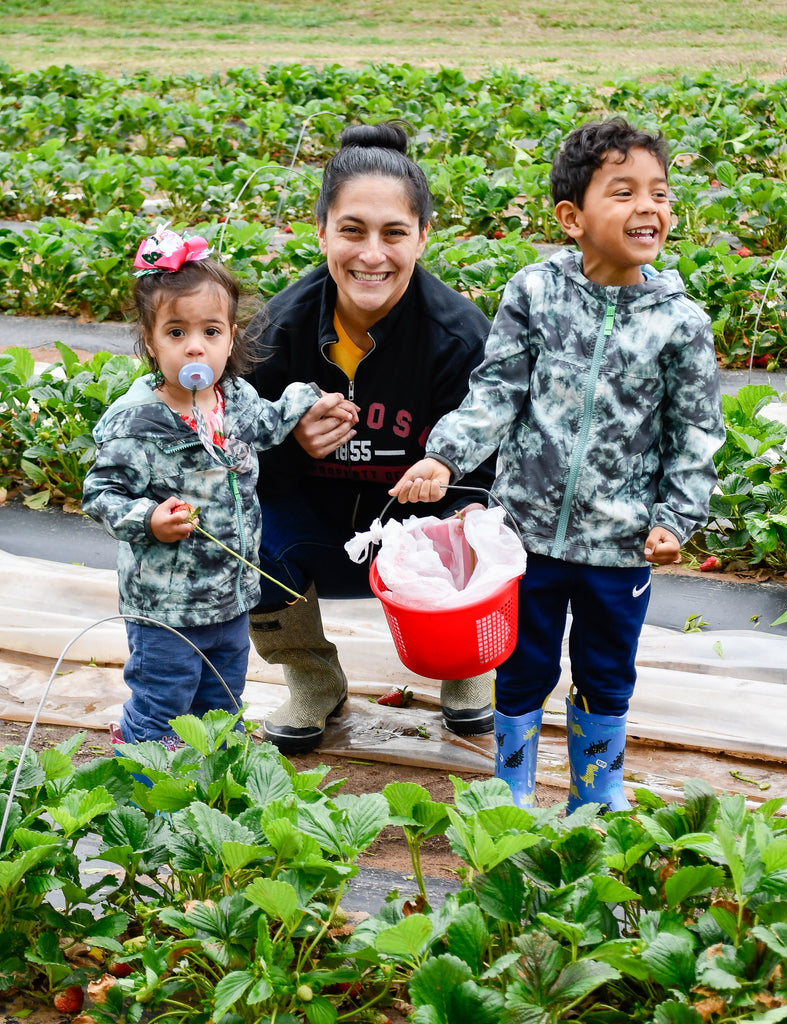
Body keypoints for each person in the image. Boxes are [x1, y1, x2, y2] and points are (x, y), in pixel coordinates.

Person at [389, 117, 725, 810]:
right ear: (571, 217)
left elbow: (693, 431)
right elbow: (496, 390)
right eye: (624, 191)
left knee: (606, 669)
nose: (648, 208)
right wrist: (445, 457)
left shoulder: (678, 322)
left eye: (659, 194)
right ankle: (510, 788)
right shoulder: (534, 293)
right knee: (520, 663)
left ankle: (595, 794)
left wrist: (674, 518)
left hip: (621, 542)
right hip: (524, 534)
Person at [247, 121, 495, 754]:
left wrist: (446, 479)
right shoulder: (276, 331)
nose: (371, 254)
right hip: (316, 537)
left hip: (422, 540)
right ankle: (312, 676)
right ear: (322, 228)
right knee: (234, 522)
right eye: (351, 230)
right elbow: (230, 457)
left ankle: (464, 665)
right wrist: (290, 446)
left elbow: (491, 469)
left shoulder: (460, 337)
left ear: (423, 237)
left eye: (394, 233)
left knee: (480, 516)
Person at [82, 226, 353, 748]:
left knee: (222, 702)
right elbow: (102, 493)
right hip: (166, 606)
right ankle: (147, 794)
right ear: (150, 339)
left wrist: (305, 400)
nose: (195, 348)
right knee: (163, 701)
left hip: (231, 599)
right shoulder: (137, 420)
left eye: (211, 331)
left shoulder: (234, 396)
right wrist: (149, 520)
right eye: (176, 333)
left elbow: (271, 425)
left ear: (231, 336)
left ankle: (209, 791)